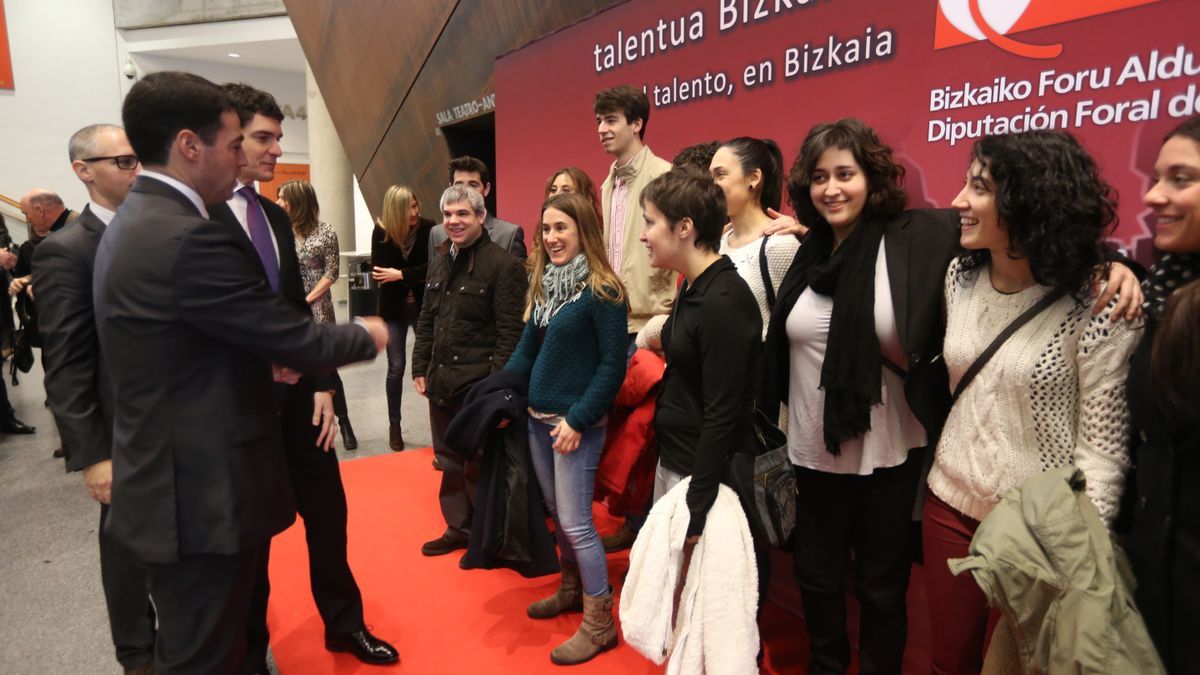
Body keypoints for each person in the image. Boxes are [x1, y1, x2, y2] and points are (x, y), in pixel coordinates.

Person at [760, 118, 1142, 675]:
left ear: (873, 179)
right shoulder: (804, 254)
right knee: (824, 583)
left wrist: (1119, 266)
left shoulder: (925, 239)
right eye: (819, 177)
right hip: (824, 454)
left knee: (887, 593)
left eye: (846, 173)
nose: (832, 188)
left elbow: (1053, 236)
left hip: (896, 455)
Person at [92, 71, 387, 674]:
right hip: (201, 491)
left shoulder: (136, 221)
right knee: (207, 653)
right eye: (238, 143)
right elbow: (282, 331)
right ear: (189, 145)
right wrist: (368, 334)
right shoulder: (185, 234)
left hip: (194, 467)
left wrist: (285, 366)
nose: (251, 156)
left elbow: (205, 335)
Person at [923, 130, 1139, 674]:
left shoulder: (1098, 302)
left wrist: (1078, 558)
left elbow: (1104, 452)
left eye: (978, 188)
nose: (957, 202)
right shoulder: (959, 277)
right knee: (949, 664)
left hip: (1037, 534)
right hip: (948, 505)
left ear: (1027, 200)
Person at [209, 83, 396, 669]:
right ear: (230, 141)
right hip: (239, 410)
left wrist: (321, 383)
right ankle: (252, 651)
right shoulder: (199, 218)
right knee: (252, 540)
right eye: (263, 138)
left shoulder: (271, 214)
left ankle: (344, 625)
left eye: (277, 137)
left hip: (302, 402)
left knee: (328, 515)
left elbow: (293, 307)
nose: (275, 150)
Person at [33, 123, 155, 675]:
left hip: (180, 425)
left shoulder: (163, 229)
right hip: (121, 436)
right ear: (84, 170)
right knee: (128, 557)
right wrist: (94, 455)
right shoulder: (66, 251)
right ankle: (139, 660)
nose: (137, 170)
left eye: (138, 160)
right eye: (123, 162)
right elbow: (66, 362)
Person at [504, 193, 628, 665]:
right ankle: (572, 589)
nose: (552, 238)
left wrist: (578, 418)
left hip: (575, 424)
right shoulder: (544, 283)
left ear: (584, 232)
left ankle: (600, 624)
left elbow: (613, 366)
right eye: (547, 229)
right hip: (537, 421)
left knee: (578, 524)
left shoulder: (603, 290)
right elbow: (527, 350)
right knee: (560, 516)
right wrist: (500, 390)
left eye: (562, 228)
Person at [640, 166, 761, 561]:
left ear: (684, 227)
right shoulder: (693, 286)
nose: (643, 235)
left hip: (703, 479)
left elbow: (722, 414)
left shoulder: (724, 300)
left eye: (650, 222)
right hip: (676, 464)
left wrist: (696, 507)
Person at [412, 184, 527, 557]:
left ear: (481, 217)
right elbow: (428, 318)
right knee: (449, 462)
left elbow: (510, 334)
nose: (453, 221)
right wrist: (419, 366)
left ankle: (487, 537)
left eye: (462, 214)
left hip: (478, 386)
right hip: (441, 378)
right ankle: (458, 529)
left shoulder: (505, 265)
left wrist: (497, 389)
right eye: (447, 215)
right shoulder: (440, 258)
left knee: (480, 464)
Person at [1125, 116, 1200, 673]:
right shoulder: (1159, 290)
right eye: (1157, 178)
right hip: (1156, 584)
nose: (1154, 196)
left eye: (1182, 179)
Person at [275, 179, 359, 451]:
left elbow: (332, 272)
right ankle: (308, 422)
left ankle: (344, 421)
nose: (278, 203)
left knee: (327, 367)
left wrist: (308, 299)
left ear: (298, 202)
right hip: (290, 308)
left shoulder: (326, 232)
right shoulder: (281, 232)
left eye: (283, 198)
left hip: (320, 306)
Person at [595, 85, 675, 338]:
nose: (601, 129)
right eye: (599, 121)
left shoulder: (664, 176)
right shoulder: (608, 185)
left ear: (636, 124)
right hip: (611, 320)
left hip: (652, 322)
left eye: (610, 120)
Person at [710, 137, 801, 341]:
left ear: (754, 178)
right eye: (710, 177)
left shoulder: (780, 244)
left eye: (720, 174)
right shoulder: (718, 244)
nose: (712, 185)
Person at [371, 184, 435, 451]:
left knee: (431, 367)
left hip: (424, 306)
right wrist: (410, 274)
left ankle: (439, 428)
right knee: (396, 367)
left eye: (416, 204)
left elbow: (434, 267)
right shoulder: (382, 232)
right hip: (393, 308)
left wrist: (401, 274)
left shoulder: (430, 228)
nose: (414, 211)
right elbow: (379, 273)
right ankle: (394, 425)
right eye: (408, 207)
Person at [429, 156, 526, 257]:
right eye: (459, 185)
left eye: (473, 185)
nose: (465, 191)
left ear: (486, 189)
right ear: (450, 188)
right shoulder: (437, 234)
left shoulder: (508, 235)